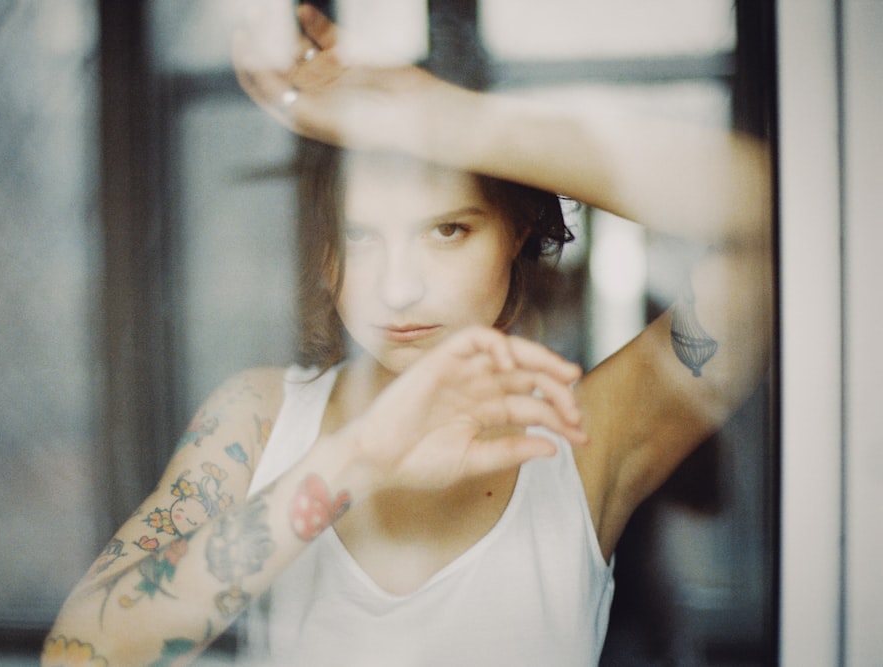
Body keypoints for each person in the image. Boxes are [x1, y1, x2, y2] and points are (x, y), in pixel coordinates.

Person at [42, 4, 772, 666]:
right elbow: (79, 654)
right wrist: (358, 455)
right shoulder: (262, 420)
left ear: (516, 231)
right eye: (361, 236)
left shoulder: (588, 437)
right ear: (326, 257)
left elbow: (770, 213)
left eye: (447, 230)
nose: (398, 288)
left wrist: (453, 122)